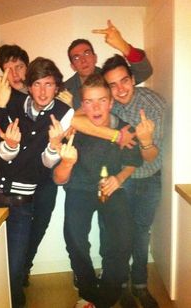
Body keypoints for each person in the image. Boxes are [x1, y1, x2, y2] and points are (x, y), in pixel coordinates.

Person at [0, 57, 74, 308]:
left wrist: (55, 147)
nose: (42, 91)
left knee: (14, 268)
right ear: (29, 85)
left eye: (49, 84)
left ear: (57, 87)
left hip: (23, 201)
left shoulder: (64, 114)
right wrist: (9, 143)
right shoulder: (11, 101)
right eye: (37, 84)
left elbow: (43, 166)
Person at [52, 73, 143, 308]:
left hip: (109, 188)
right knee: (74, 238)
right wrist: (58, 142)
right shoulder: (74, 128)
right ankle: (88, 291)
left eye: (102, 100)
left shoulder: (125, 129)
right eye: (89, 101)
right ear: (82, 105)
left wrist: (119, 178)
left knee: (124, 237)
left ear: (111, 102)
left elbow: (133, 160)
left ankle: (106, 295)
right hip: (79, 189)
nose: (96, 107)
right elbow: (56, 162)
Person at [98, 54, 165, 308]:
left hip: (148, 179)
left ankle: (140, 284)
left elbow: (150, 157)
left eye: (124, 81)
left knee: (140, 233)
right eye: (112, 85)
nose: (120, 89)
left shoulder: (154, 104)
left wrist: (146, 140)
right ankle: (120, 284)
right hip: (118, 180)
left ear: (133, 79)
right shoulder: (106, 106)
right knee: (114, 234)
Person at [64, 20, 153, 111]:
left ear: (95, 58)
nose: (83, 60)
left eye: (87, 54)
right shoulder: (64, 90)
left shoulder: (109, 78)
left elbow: (144, 71)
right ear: (73, 66)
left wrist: (124, 46)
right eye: (76, 58)